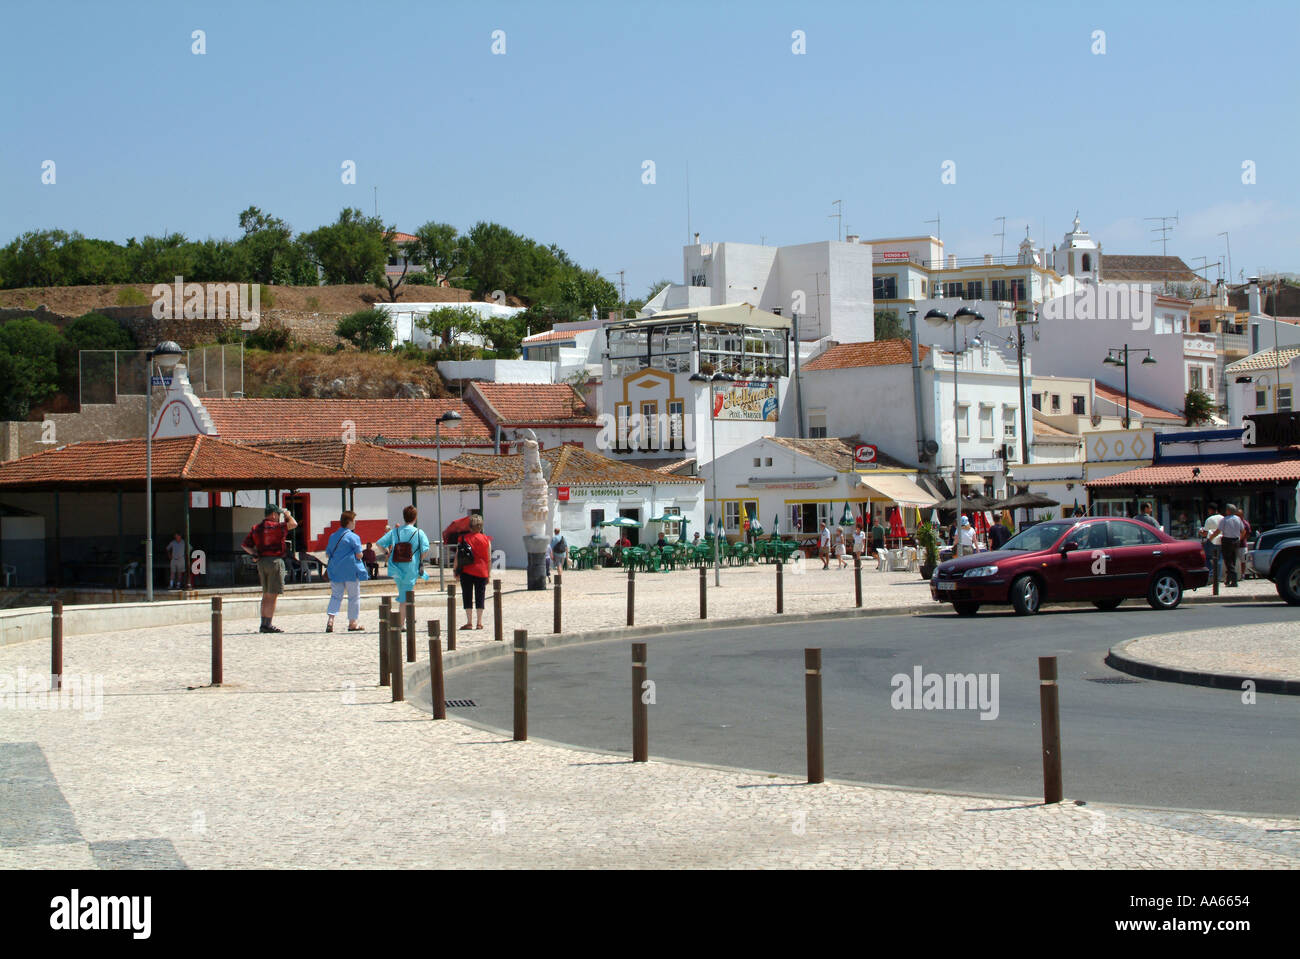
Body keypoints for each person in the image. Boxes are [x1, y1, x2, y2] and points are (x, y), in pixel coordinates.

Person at [241, 504, 298, 633]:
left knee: (266, 594)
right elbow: (294, 524)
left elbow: (245, 545)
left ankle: (263, 623)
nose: (279, 517)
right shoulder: (278, 527)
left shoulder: (256, 528)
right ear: (273, 514)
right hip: (275, 561)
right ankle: (268, 624)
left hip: (261, 561)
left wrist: (255, 554)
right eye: (278, 515)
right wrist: (287, 515)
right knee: (273, 595)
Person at [376, 506, 429, 632]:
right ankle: (400, 623)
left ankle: (407, 618)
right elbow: (425, 550)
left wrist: (387, 552)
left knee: (403, 593)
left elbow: (379, 543)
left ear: (404, 517)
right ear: (415, 518)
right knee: (405, 596)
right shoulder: (418, 533)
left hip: (396, 567)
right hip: (411, 568)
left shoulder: (395, 531)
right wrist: (419, 559)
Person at [324, 510, 367, 632]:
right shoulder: (354, 537)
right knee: (353, 597)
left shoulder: (333, 536)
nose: (355, 523)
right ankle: (353, 623)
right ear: (349, 522)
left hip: (335, 571)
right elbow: (359, 555)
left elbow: (328, 554)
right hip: (350, 571)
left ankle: (331, 620)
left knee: (336, 596)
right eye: (354, 520)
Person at [454, 513, 492, 630]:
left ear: (469, 526)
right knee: (480, 596)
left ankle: (469, 622)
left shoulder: (463, 539)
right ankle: (479, 622)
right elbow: (489, 559)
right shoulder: (486, 540)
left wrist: (456, 570)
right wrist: (488, 574)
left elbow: (457, 556)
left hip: (466, 571)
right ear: (481, 527)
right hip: (481, 571)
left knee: (467, 595)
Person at [1218, 504, 1244, 588]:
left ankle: (1234, 580)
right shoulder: (1238, 519)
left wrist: (1211, 537)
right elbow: (1243, 531)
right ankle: (1228, 580)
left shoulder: (1225, 520)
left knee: (1228, 561)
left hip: (1227, 541)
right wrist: (1239, 538)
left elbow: (1218, 530)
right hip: (1236, 541)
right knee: (1233, 560)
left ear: (1228, 511)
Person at [1200, 503, 1224, 584]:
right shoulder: (1223, 518)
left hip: (1211, 540)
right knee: (1219, 559)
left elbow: (1205, 533)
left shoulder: (1209, 519)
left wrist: (1200, 532)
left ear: (1210, 510)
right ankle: (1218, 578)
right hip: (1221, 540)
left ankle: (1210, 574)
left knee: (1207, 558)